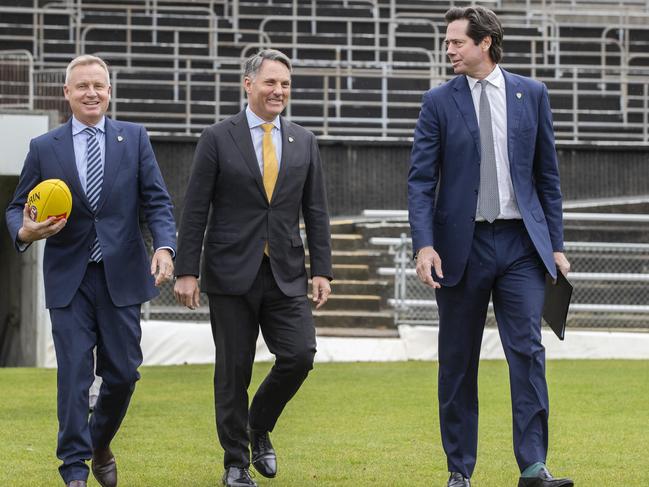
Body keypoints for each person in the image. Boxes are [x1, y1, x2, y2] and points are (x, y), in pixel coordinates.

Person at [407, 7, 574, 487]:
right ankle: (460, 470)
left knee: (528, 350)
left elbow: (547, 178)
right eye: (447, 42)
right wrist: (425, 245)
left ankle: (534, 466)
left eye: (457, 42)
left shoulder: (532, 94)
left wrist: (555, 245)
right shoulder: (437, 102)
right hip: (462, 247)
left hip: (522, 244)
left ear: (485, 43)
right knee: (457, 360)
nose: (449, 50)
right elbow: (420, 181)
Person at [5, 54, 176, 487]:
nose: (91, 92)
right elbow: (15, 208)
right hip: (70, 279)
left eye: (98, 85)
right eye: (82, 86)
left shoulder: (134, 138)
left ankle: (100, 442)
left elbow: (157, 201)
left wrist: (165, 247)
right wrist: (25, 231)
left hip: (121, 276)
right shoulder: (45, 148)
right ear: (67, 93)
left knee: (123, 373)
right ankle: (74, 468)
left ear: (109, 91)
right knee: (75, 373)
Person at [174, 48, 332, 487]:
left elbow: (316, 210)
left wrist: (323, 270)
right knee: (233, 370)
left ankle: (257, 425)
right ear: (248, 85)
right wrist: (188, 270)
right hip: (229, 273)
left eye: (285, 83)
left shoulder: (305, 140)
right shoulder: (217, 138)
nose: (278, 90)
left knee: (300, 356)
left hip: (285, 271)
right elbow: (195, 209)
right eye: (270, 82)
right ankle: (236, 464)